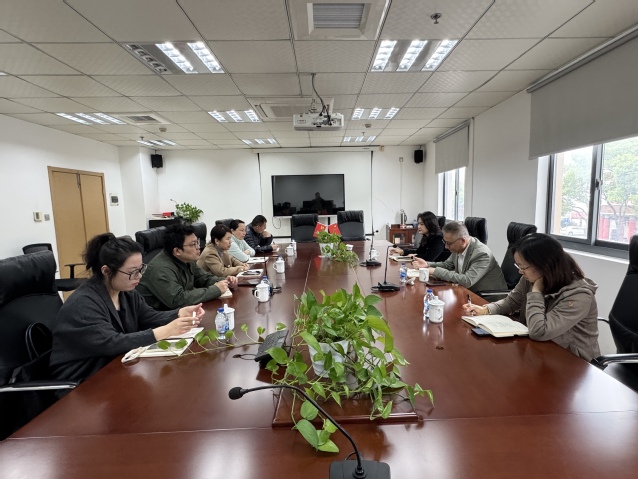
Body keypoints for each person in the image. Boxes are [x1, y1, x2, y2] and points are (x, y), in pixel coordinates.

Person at [50, 233, 204, 384]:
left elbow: (148, 316)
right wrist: (165, 331)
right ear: (106, 271)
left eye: (141, 269)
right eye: (132, 272)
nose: (139, 276)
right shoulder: (83, 303)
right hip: (84, 381)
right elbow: (111, 342)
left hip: (115, 367)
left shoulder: (126, 292)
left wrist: (179, 313)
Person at [462, 233, 600, 361]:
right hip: (540, 352)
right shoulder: (532, 277)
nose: (520, 272)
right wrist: (486, 310)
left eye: (523, 267)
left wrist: (536, 293)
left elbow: (539, 331)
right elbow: (512, 301)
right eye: (518, 266)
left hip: (573, 361)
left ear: (544, 265)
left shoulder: (579, 296)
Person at [137, 223, 238, 310]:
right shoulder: (161, 269)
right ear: (177, 251)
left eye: (197, 242)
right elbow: (178, 299)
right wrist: (216, 289)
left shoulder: (187, 259)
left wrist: (225, 281)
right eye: (193, 244)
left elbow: (203, 278)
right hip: (159, 317)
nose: (198, 247)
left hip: (179, 312)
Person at [411, 221, 506, 292]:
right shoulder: (458, 247)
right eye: (444, 242)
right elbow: (448, 265)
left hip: (486, 299)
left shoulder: (482, 254)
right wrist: (427, 265)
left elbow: (467, 280)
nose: (446, 247)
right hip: (467, 292)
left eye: (449, 243)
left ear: (463, 241)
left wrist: (435, 271)